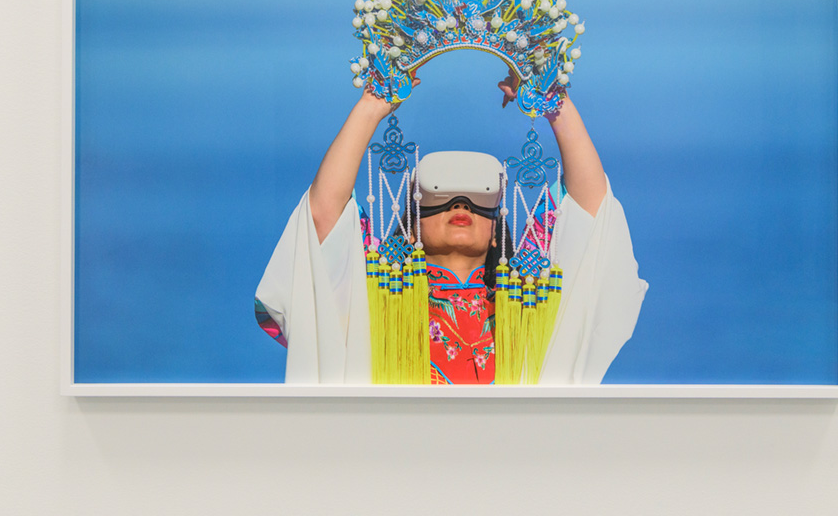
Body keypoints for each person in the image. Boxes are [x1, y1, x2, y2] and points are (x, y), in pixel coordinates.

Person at [254, 73, 647, 385]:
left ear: (495, 232)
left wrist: (552, 101)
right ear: (413, 226)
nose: (461, 205)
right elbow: (322, 219)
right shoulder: (372, 302)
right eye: (440, 198)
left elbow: (592, 217)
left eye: (479, 201)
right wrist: (372, 106)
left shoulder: (535, 310)